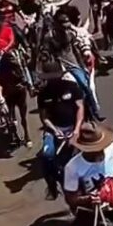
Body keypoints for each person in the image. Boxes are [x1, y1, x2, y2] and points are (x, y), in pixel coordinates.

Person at [36, 61, 85, 199]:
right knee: (47, 156)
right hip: (54, 130)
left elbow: (80, 107)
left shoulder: (72, 87)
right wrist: (54, 129)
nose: (53, 81)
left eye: (55, 77)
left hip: (74, 126)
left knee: (91, 147)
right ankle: (52, 186)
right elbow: (44, 117)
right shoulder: (43, 94)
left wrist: (76, 129)